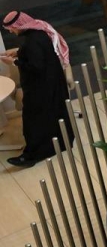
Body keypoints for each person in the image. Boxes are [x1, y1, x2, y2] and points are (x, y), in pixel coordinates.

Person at [1, 11, 73, 168]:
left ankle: (33, 155)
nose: (11, 31)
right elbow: (39, 54)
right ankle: (61, 143)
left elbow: (35, 67)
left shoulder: (31, 41)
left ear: (18, 25)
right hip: (53, 83)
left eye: (11, 28)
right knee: (55, 114)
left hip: (41, 88)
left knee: (35, 120)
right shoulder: (40, 32)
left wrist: (13, 62)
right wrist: (18, 52)